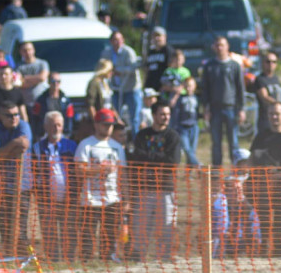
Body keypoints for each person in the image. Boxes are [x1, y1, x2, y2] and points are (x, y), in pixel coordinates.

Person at [127, 100, 182, 261]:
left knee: (167, 226)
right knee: (141, 227)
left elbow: (172, 161)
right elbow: (135, 157)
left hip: (166, 189)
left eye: (168, 114)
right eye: (162, 114)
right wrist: (158, 159)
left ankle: (165, 258)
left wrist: (148, 158)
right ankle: (138, 258)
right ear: (154, 115)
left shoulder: (173, 136)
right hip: (144, 188)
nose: (166, 117)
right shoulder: (142, 135)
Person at [249, 102, 281, 257]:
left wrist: (278, 175)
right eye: (271, 114)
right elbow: (251, 161)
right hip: (262, 186)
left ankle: (280, 252)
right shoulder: (260, 136)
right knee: (263, 219)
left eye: (277, 113)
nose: (274, 117)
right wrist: (260, 175)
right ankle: (262, 250)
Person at [75, 108, 126, 260]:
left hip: (112, 198)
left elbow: (123, 174)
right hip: (90, 199)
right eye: (105, 124)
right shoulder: (86, 145)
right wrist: (100, 169)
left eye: (110, 125)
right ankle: (87, 261)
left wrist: (126, 198)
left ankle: (108, 259)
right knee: (88, 237)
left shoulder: (117, 147)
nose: (108, 128)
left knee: (110, 235)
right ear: (96, 125)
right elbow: (79, 170)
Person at [0, 101, 33, 254]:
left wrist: (3, 152)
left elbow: (23, 146)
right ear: (0, 116)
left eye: (16, 114)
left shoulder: (24, 126)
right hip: (2, 186)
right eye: (9, 115)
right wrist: (14, 143)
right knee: (4, 227)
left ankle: (22, 257)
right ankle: (8, 257)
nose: (14, 118)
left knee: (21, 228)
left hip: (22, 186)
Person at [32, 111, 78, 261]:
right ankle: (53, 260)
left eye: (59, 125)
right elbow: (33, 172)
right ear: (45, 126)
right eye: (53, 125)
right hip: (46, 199)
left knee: (69, 230)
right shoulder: (37, 148)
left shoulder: (72, 146)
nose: (56, 128)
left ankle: (69, 260)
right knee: (49, 232)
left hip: (69, 198)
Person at [201, 36, 245, 165]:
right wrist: (206, 108)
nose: (220, 48)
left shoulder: (235, 66)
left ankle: (236, 169)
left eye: (222, 45)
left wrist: (241, 109)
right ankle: (216, 170)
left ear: (227, 46)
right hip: (215, 109)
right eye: (217, 45)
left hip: (231, 108)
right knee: (216, 142)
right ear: (214, 48)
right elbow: (205, 89)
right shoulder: (209, 66)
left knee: (234, 142)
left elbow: (240, 88)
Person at [101, 31, 140, 128]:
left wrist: (119, 71)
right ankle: (116, 134)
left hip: (130, 88)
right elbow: (102, 66)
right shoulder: (106, 53)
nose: (118, 42)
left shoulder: (128, 52)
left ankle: (135, 136)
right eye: (115, 40)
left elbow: (133, 68)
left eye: (119, 39)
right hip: (115, 89)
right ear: (111, 41)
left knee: (134, 117)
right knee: (114, 115)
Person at [0, 63, 29, 131]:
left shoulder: (18, 93)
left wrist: (26, 130)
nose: (3, 76)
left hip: (13, 130)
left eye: (6, 74)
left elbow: (23, 114)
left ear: (12, 75)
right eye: (1, 74)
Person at [253, 51, 281, 135]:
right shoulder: (260, 79)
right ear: (263, 63)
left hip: (277, 116)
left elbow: (278, 94)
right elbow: (264, 97)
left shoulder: (275, 78)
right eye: (268, 61)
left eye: (274, 62)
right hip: (265, 117)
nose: (271, 64)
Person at [172, 76, 201, 167]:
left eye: (190, 86)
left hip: (194, 126)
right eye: (187, 86)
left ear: (194, 86)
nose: (188, 88)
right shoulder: (180, 98)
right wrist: (177, 93)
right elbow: (173, 107)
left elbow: (199, 112)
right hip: (182, 127)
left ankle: (189, 172)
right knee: (187, 149)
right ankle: (199, 166)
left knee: (192, 151)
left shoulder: (197, 98)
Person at [16, 41, 50, 106]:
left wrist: (25, 78)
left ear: (33, 50)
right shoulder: (18, 66)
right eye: (25, 50)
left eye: (29, 49)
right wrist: (36, 80)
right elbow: (19, 83)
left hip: (42, 102)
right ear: (21, 52)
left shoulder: (42, 63)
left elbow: (42, 78)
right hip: (26, 102)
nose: (28, 52)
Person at [143, 26, 175, 93]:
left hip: (163, 87)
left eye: (159, 36)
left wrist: (167, 85)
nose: (156, 38)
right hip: (150, 86)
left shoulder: (168, 50)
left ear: (164, 37)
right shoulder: (151, 52)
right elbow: (147, 69)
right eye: (154, 36)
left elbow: (172, 68)